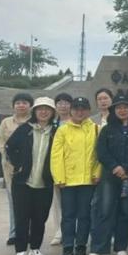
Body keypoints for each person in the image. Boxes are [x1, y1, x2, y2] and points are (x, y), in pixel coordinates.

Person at [86, 95, 128, 255]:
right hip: (110, 176)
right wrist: (115, 167)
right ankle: (98, 249)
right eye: (119, 108)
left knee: (125, 211)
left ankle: (121, 247)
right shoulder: (107, 129)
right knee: (105, 210)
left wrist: (127, 168)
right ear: (113, 110)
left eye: (126, 107)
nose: (122, 110)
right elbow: (101, 151)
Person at [5, 97, 57, 255]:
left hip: (45, 182)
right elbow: (9, 146)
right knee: (22, 217)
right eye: (40, 109)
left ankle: (35, 248)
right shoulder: (25, 129)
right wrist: (17, 164)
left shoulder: (56, 131)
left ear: (52, 112)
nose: (44, 112)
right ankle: (21, 251)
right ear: (34, 111)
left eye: (47, 109)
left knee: (40, 217)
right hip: (23, 182)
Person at [50, 96, 100, 255]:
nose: (79, 112)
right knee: (69, 216)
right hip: (68, 181)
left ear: (88, 111)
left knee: (84, 215)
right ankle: (67, 247)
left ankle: (81, 246)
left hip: (87, 180)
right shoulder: (63, 130)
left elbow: (99, 155)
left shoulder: (95, 129)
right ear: (71, 110)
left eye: (83, 109)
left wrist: (97, 173)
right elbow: (56, 155)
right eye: (76, 109)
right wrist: (59, 177)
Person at [0, 92, 33, 246]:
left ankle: (29, 232)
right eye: (18, 103)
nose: (21, 105)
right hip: (11, 169)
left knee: (30, 202)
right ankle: (14, 232)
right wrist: (13, 161)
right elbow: (1, 143)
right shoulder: (6, 123)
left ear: (30, 105)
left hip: (31, 168)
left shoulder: (34, 122)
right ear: (13, 105)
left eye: (24, 102)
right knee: (13, 202)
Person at [49, 92, 73, 246]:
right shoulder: (51, 123)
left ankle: (71, 230)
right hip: (54, 166)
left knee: (71, 202)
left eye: (66, 102)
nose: (63, 105)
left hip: (72, 167)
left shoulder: (77, 122)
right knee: (56, 201)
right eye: (59, 103)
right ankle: (59, 231)